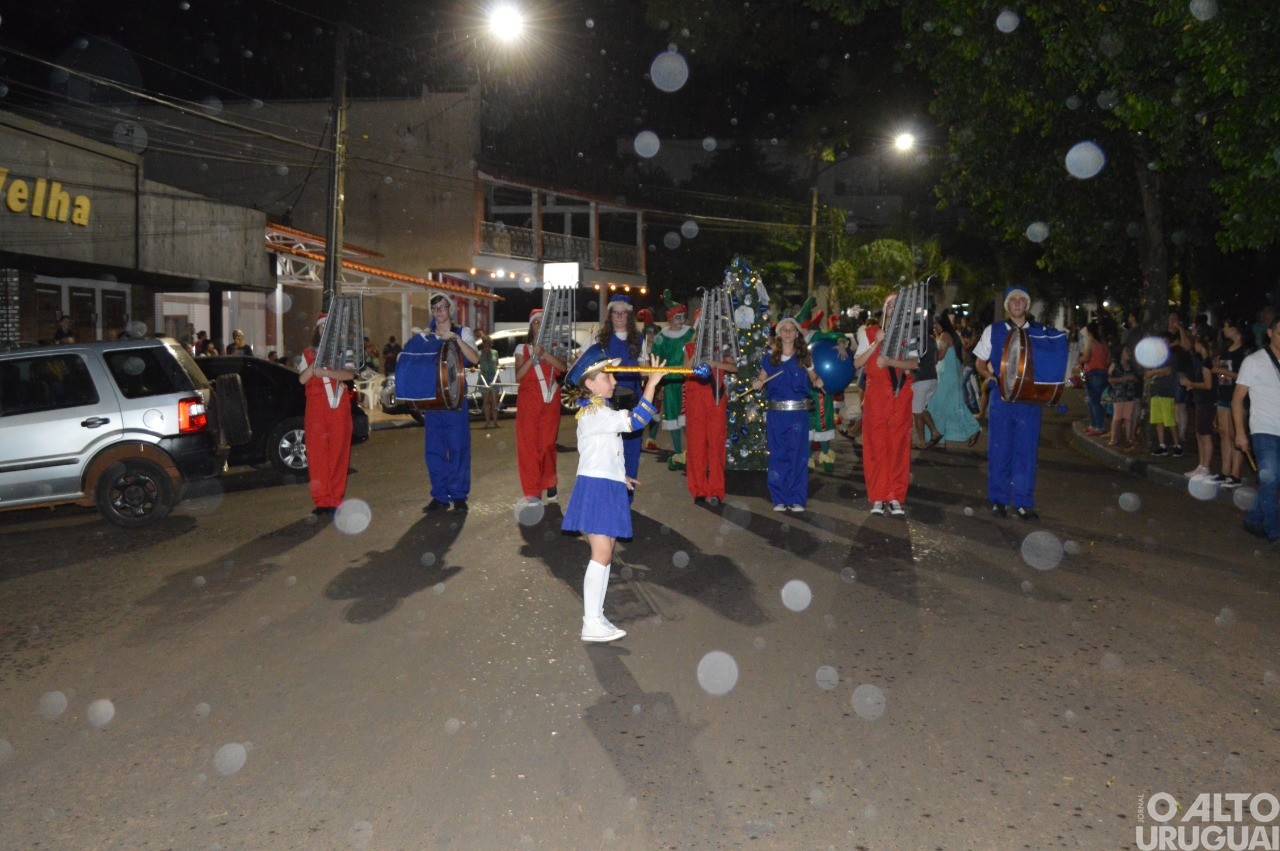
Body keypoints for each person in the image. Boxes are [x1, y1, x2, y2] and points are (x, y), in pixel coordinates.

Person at [561, 347, 665, 643]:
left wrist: (621, 476)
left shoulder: (600, 410)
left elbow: (605, 450)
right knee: (602, 553)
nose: (614, 380)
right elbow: (634, 421)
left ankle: (597, 615)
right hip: (596, 487)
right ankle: (591, 622)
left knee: (607, 552)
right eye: (607, 376)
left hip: (606, 484)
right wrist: (652, 384)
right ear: (590, 383)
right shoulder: (594, 413)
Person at [974, 285, 1064, 520]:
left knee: (1026, 453)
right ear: (1007, 305)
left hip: (1029, 402)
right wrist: (988, 375)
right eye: (1012, 299)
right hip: (1001, 400)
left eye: (1021, 300)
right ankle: (999, 500)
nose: (1016, 303)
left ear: (1026, 305)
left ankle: (1023, 502)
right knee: (999, 451)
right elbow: (980, 362)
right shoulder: (993, 330)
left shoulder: (1040, 333)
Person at [400, 292, 480, 511]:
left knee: (458, 448)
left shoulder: (462, 332)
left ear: (450, 309)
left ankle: (459, 495)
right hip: (433, 401)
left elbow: (474, 358)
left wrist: (456, 340)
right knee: (434, 451)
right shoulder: (426, 336)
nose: (439, 312)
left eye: (443, 307)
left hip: (455, 401)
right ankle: (440, 496)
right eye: (435, 308)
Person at [854, 296, 920, 516]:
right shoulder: (869, 332)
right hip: (876, 396)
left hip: (900, 394)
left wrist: (892, 362)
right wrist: (875, 343)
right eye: (890, 304)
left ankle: (895, 496)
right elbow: (857, 362)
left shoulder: (908, 334)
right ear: (884, 308)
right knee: (875, 445)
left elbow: (914, 363)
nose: (893, 308)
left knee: (898, 445)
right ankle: (877, 496)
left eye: (898, 305)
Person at [752, 316, 824, 512]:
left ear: (797, 334)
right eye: (784, 329)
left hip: (798, 415)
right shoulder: (770, 357)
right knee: (778, 455)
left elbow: (813, 377)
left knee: (798, 455)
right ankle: (779, 499)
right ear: (779, 334)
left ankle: (797, 499)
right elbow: (761, 379)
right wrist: (758, 383)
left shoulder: (804, 357)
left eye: (792, 330)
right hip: (776, 415)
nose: (788, 333)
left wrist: (817, 381)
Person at [299, 314, 356, 518]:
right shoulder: (308, 353)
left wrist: (327, 373)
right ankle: (322, 499)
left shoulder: (344, 351)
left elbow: (349, 375)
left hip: (338, 405)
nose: (325, 330)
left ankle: (335, 498)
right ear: (318, 330)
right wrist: (315, 364)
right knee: (317, 454)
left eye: (328, 326)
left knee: (339, 452)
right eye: (322, 326)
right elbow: (302, 379)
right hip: (315, 407)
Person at [682, 310, 738, 504]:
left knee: (716, 445)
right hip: (695, 398)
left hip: (715, 398)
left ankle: (715, 489)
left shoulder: (722, 348)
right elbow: (685, 371)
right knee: (696, 445)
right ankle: (698, 489)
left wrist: (715, 363)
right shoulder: (689, 347)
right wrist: (696, 356)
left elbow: (734, 367)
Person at [1234, 313, 1280, 548]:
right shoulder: (1253, 361)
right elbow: (1237, 399)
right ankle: (1275, 532)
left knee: (1272, 481)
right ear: (1270, 334)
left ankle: (1253, 518)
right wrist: (1240, 432)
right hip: (1264, 430)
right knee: (1271, 480)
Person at [514, 308, 567, 504]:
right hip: (528, 401)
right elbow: (518, 375)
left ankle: (549, 481)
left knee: (547, 445)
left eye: (543, 322)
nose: (539, 326)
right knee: (528, 447)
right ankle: (533, 492)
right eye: (536, 322)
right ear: (531, 326)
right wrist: (533, 357)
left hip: (550, 401)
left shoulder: (556, 346)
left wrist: (544, 353)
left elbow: (563, 367)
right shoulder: (521, 348)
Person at [595, 295, 646, 497]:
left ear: (628, 315)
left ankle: (627, 495)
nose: (619, 317)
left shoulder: (639, 339)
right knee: (610, 447)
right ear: (610, 315)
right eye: (615, 313)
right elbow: (586, 363)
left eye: (623, 313)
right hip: (609, 398)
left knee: (632, 448)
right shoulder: (600, 339)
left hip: (633, 398)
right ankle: (610, 494)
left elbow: (644, 367)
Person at [651, 293, 695, 471]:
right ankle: (678, 452)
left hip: (688, 381)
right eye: (678, 316)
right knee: (672, 417)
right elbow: (655, 363)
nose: (681, 319)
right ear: (670, 318)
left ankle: (691, 452)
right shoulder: (661, 338)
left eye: (683, 316)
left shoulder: (691, 334)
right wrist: (659, 386)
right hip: (669, 382)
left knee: (688, 418)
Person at [926, 310, 981, 448]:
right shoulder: (953, 335)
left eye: (935, 324)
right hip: (952, 375)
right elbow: (961, 355)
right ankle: (970, 430)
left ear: (941, 324)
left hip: (947, 376)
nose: (934, 327)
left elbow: (939, 356)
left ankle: (938, 436)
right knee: (952, 405)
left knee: (937, 404)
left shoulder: (945, 335)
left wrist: (931, 347)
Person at [1212, 318, 1249, 488]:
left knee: (1235, 434)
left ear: (1234, 329)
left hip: (1237, 396)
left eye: (1226, 326)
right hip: (1223, 393)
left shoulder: (1245, 351)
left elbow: (1244, 376)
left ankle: (1236, 474)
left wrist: (1222, 371)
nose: (1223, 330)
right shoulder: (1226, 348)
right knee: (1223, 433)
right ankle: (1225, 471)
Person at [1181, 331, 1217, 478]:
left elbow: (1208, 385)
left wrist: (1191, 384)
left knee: (1205, 434)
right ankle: (1201, 465)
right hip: (1201, 400)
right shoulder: (1203, 361)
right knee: (1199, 433)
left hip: (1206, 402)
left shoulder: (1207, 362)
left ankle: (1206, 467)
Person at [910, 314, 942, 449]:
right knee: (921, 408)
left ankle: (922, 442)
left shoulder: (913, 341)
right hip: (932, 378)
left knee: (917, 412)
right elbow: (935, 359)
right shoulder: (931, 339)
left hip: (919, 379)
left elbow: (911, 362)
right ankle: (935, 432)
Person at [1145, 333, 1180, 456]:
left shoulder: (1171, 357)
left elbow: (1168, 371)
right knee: (1158, 420)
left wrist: (1155, 371)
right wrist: (1156, 371)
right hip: (1155, 391)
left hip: (1166, 392)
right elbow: (1148, 373)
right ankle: (1162, 445)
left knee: (1170, 420)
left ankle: (1177, 445)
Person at [1079, 320, 1111, 436]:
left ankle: (1097, 426)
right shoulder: (1104, 343)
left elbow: (1086, 358)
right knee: (1097, 401)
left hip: (1092, 373)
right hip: (1103, 374)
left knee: (1093, 401)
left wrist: (1080, 359)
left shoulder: (1090, 342)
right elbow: (1108, 360)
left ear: (1089, 331)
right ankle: (1095, 425)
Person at [1108, 345, 1141, 450]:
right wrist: (1123, 378)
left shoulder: (1131, 366)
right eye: (1127, 351)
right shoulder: (1115, 365)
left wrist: (1133, 379)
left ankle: (1128, 438)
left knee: (1128, 417)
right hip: (1119, 394)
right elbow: (1109, 379)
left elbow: (1137, 379)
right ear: (1121, 353)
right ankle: (1114, 438)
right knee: (1117, 417)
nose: (1129, 353)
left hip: (1129, 394)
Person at [640, 322, 663, 451]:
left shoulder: (659, 349)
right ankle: (639, 439)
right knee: (642, 410)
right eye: (649, 333)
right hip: (642, 385)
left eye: (654, 333)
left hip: (656, 384)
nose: (651, 335)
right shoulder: (641, 349)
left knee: (655, 412)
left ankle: (651, 439)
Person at [476, 335, 501, 429]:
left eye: (489, 343)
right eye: (486, 343)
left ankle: (495, 422)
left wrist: (500, 366)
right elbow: (475, 364)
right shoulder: (478, 353)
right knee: (486, 401)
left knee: (494, 401)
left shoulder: (495, 352)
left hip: (494, 378)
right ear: (483, 344)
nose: (488, 344)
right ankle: (487, 422)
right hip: (483, 378)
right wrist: (474, 368)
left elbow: (497, 364)